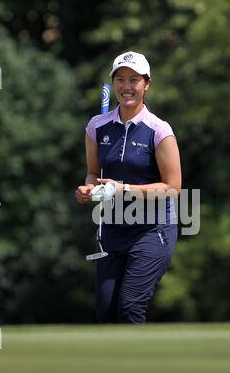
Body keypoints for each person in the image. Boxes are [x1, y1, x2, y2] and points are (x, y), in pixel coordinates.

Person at [76, 51, 181, 323]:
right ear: (113, 84)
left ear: (147, 84)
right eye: (120, 79)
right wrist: (88, 189)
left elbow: (172, 187)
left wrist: (122, 190)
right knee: (106, 310)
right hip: (111, 228)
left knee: (130, 306)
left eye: (134, 79)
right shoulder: (96, 127)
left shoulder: (159, 130)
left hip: (153, 230)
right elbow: (92, 173)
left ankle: (143, 367)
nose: (126, 86)